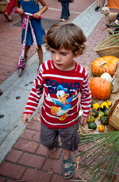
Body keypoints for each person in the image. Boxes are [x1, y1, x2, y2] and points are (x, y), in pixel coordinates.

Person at [22, 22, 92, 179]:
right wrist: (28, 109)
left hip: (70, 121)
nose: (56, 58)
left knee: (69, 142)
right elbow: (36, 89)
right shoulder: (45, 68)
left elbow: (86, 93)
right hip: (48, 119)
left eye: (63, 53)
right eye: (52, 52)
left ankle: (66, 157)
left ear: (77, 52)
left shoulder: (80, 73)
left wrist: (86, 110)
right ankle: (52, 143)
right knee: (47, 141)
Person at [15, 0, 48, 72]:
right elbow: (16, 6)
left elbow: (45, 6)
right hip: (26, 24)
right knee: (26, 44)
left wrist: (39, 12)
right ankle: (24, 57)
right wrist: (18, 9)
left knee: (38, 44)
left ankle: (41, 63)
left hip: (36, 23)